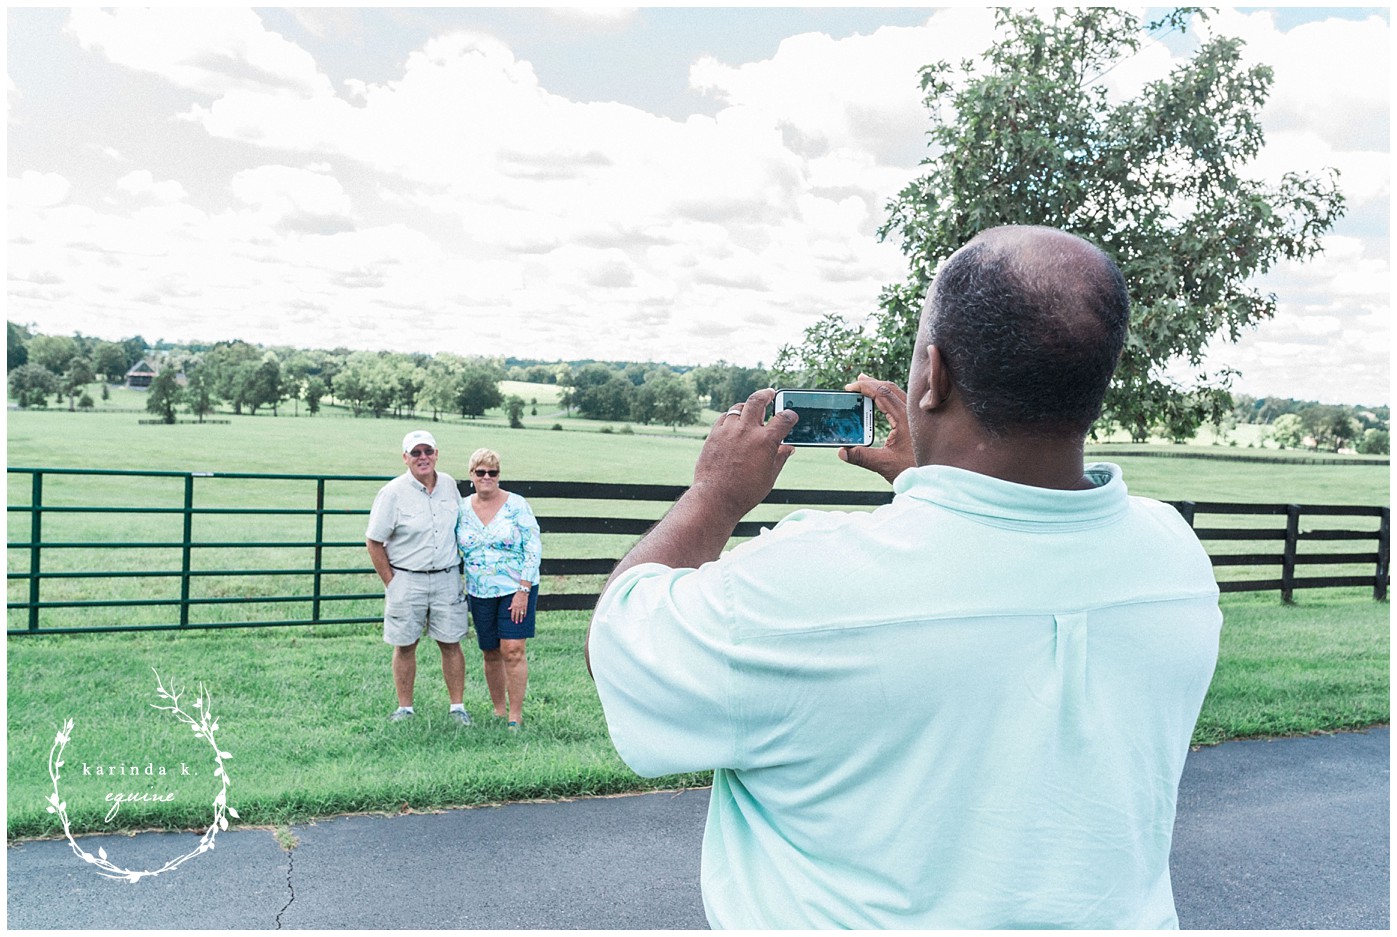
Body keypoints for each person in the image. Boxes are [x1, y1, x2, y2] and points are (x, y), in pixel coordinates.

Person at [586, 225, 1222, 928]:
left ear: (934, 375)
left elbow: (619, 638)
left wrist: (714, 495)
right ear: (1095, 381)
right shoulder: (1173, 555)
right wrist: (933, 482)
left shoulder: (800, 584)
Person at [365, 430, 473, 726]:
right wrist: (392, 582)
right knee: (404, 644)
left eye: (428, 451)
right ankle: (405, 708)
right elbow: (374, 541)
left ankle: (457, 708)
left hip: (446, 577)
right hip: (407, 578)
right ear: (405, 458)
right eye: (416, 452)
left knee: (451, 642)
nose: (423, 457)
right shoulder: (392, 493)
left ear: (437, 454)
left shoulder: (449, 485)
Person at [457, 448, 542, 730]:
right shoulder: (461, 509)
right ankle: (498, 709)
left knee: (513, 649)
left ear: (498, 475)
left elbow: (533, 547)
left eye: (492, 472)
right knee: (490, 650)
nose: (487, 477)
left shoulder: (517, 505)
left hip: (515, 589)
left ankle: (515, 716)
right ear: (471, 475)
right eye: (480, 472)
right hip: (479, 591)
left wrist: (523, 589)